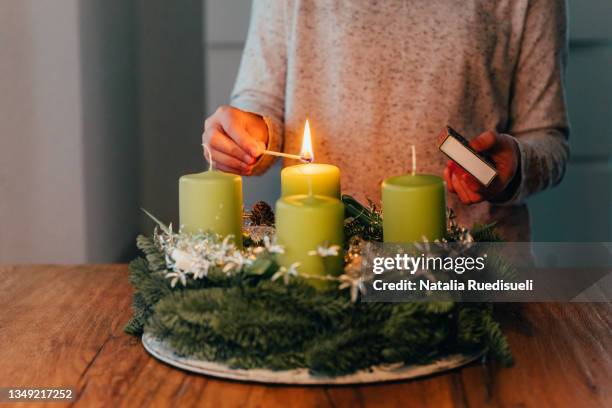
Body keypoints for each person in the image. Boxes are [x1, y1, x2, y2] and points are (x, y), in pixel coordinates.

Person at [202, 0, 569, 241]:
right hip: (323, 271)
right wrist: (247, 136)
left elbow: (547, 136)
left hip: (469, 276)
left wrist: (514, 168)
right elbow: (261, 101)